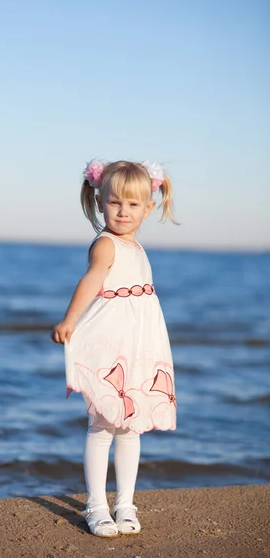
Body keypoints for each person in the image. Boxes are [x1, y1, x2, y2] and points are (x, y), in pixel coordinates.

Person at [51, 159, 178, 537]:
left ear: (148, 208)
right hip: (111, 346)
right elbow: (91, 281)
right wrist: (70, 319)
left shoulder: (135, 246)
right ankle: (96, 506)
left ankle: (125, 503)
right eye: (115, 203)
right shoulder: (106, 245)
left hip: (137, 345)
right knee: (104, 424)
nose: (123, 211)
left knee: (130, 427)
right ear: (99, 202)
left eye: (133, 204)